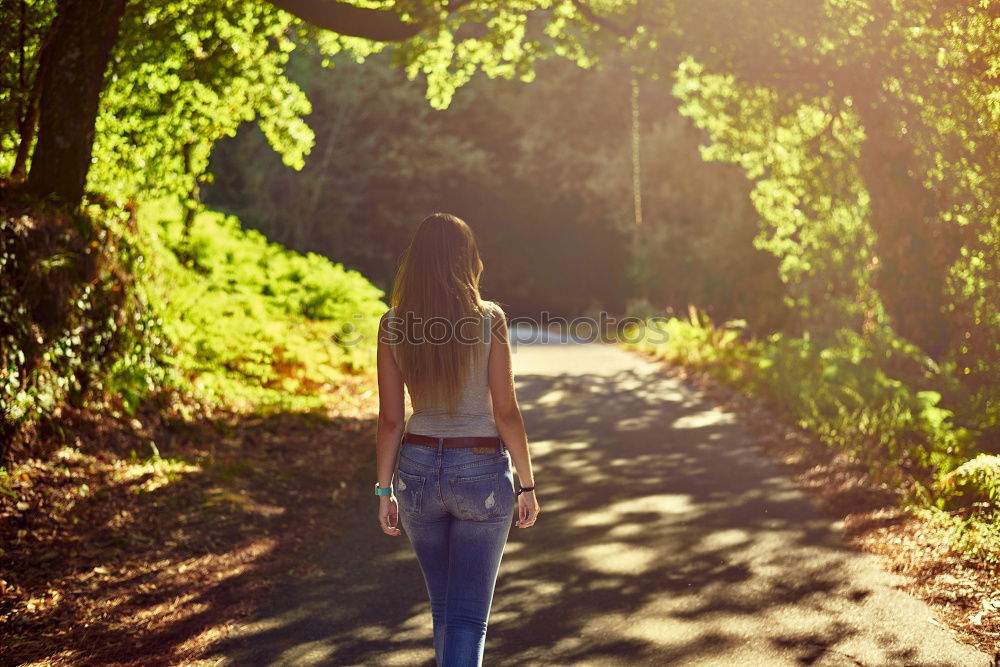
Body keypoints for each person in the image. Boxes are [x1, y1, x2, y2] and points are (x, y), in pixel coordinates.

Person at [374, 212, 540, 667]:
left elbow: (391, 420)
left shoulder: (392, 325)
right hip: (481, 472)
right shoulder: (489, 320)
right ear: (466, 259)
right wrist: (526, 484)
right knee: (468, 618)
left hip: (416, 475)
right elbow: (505, 412)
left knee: (445, 610)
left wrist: (384, 491)